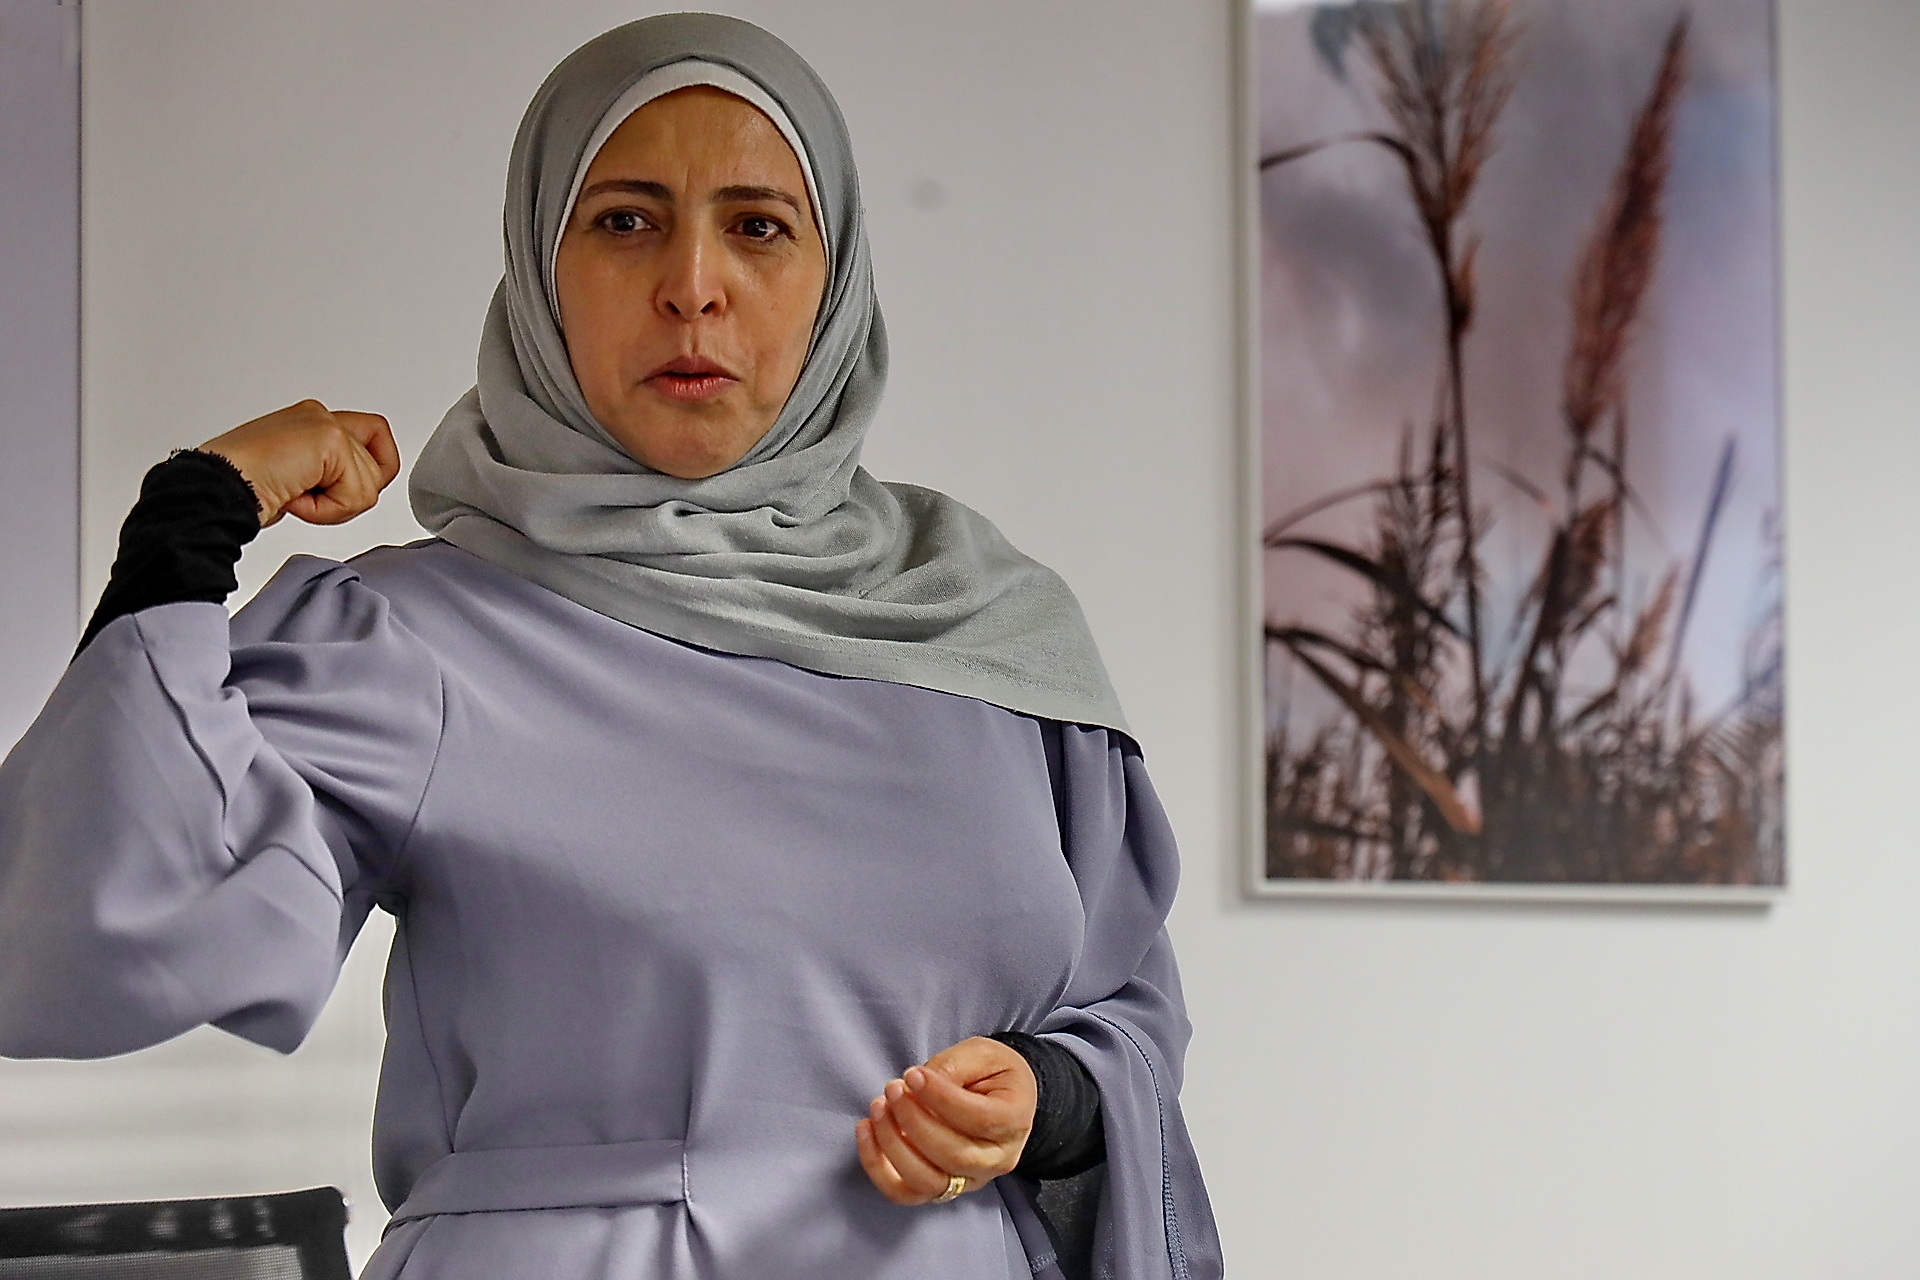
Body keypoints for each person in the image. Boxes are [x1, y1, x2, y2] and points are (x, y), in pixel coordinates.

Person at [0, 14, 1220, 1280]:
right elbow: (92, 928)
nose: (692, 283)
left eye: (758, 226)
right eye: (626, 220)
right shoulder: (409, 635)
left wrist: (1048, 1098)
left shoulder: (985, 629)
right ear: (542, 269)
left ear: (837, 276)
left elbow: (1125, 1002)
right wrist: (194, 518)